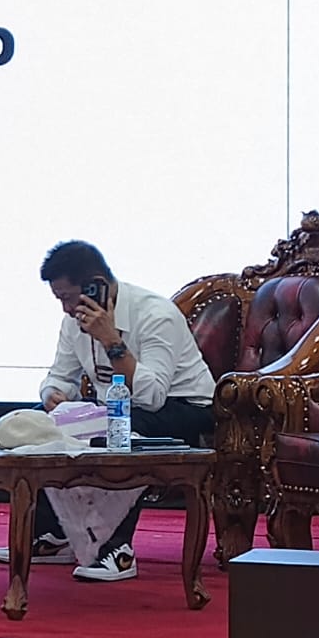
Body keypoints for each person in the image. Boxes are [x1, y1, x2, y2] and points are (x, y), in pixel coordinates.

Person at [30, 240, 213, 581]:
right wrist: (54, 394)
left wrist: (111, 340)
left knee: (120, 430)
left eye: (68, 298)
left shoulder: (156, 314)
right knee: (37, 423)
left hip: (184, 408)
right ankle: (56, 537)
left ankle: (116, 550)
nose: (66, 309)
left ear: (95, 285)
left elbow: (152, 396)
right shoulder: (73, 321)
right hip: (117, 409)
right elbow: (60, 375)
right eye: (59, 300)